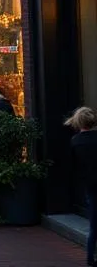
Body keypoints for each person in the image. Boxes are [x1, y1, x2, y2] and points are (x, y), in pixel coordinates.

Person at [65, 106, 97, 267]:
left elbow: (73, 166)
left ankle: (90, 257)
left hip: (89, 185)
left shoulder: (75, 141)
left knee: (94, 224)